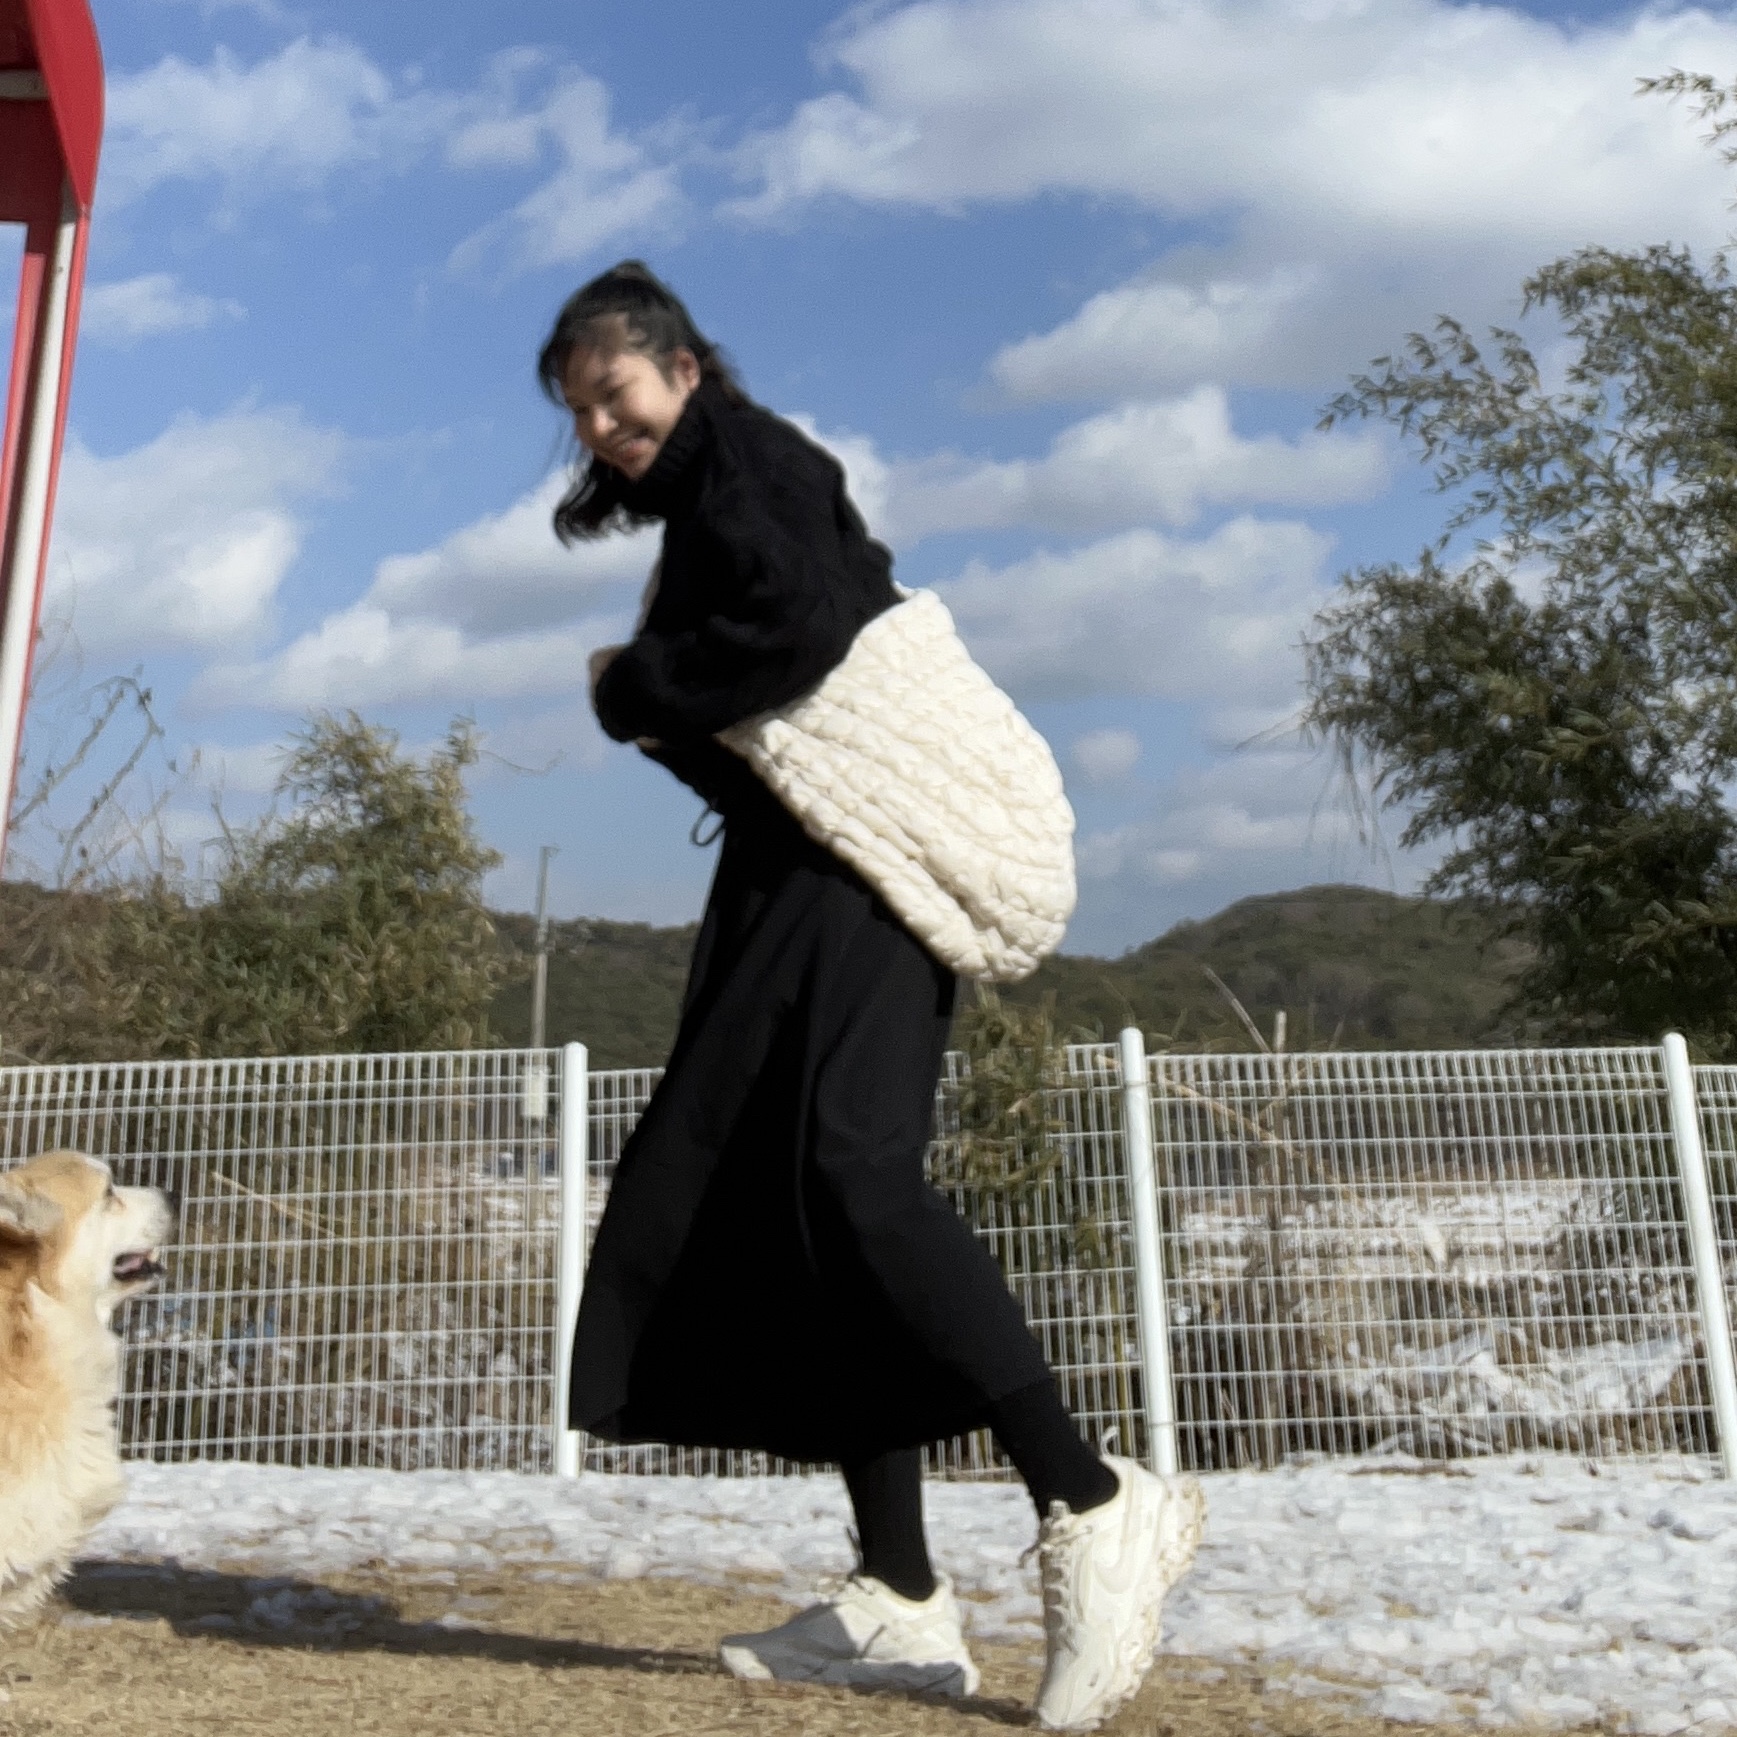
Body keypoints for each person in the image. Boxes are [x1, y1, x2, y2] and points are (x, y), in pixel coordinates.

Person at [544, 260, 1203, 1732]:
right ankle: (899, 1594)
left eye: (616, 387)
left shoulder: (758, 466)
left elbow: (787, 634)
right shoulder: (710, 502)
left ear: (684, 367)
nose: (599, 421)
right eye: (579, 407)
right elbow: (763, 698)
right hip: (792, 879)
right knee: (783, 1191)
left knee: (851, 1171)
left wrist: (629, 686)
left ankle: (1093, 1500)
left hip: (860, 880)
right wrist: (662, 692)